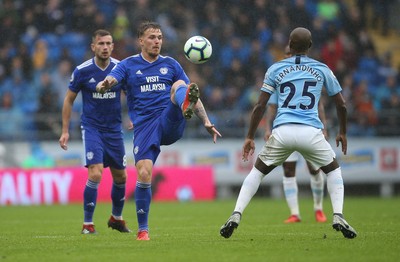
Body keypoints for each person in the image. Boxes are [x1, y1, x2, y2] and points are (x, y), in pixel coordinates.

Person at [220, 27, 357, 239]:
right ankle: (337, 214)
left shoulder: (275, 69)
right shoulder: (322, 69)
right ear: (310, 46)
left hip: (282, 131)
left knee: (257, 173)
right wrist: (342, 132)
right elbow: (342, 105)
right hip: (311, 132)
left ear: (290, 46)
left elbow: (260, 106)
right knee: (333, 171)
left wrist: (249, 136)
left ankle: (236, 213)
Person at [96, 21, 221, 241]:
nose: (157, 41)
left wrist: (206, 121)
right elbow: (112, 78)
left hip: (168, 119)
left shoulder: (171, 64)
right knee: (144, 173)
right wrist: (106, 83)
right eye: (152, 37)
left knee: (179, 87)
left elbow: (192, 91)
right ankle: (143, 231)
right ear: (141, 41)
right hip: (144, 126)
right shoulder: (128, 65)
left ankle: (183, 107)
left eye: (160, 37)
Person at [59, 29, 131, 235]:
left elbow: (131, 93)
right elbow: (69, 100)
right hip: (92, 128)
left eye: (109, 43)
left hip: (114, 130)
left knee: (121, 177)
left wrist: (134, 116)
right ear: (93, 47)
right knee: (96, 172)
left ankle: (116, 218)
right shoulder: (82, 71)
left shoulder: (120, 68)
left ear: (113, 46)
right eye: (101, 44)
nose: (105, 47)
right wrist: (65, 131)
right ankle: (87, 224)